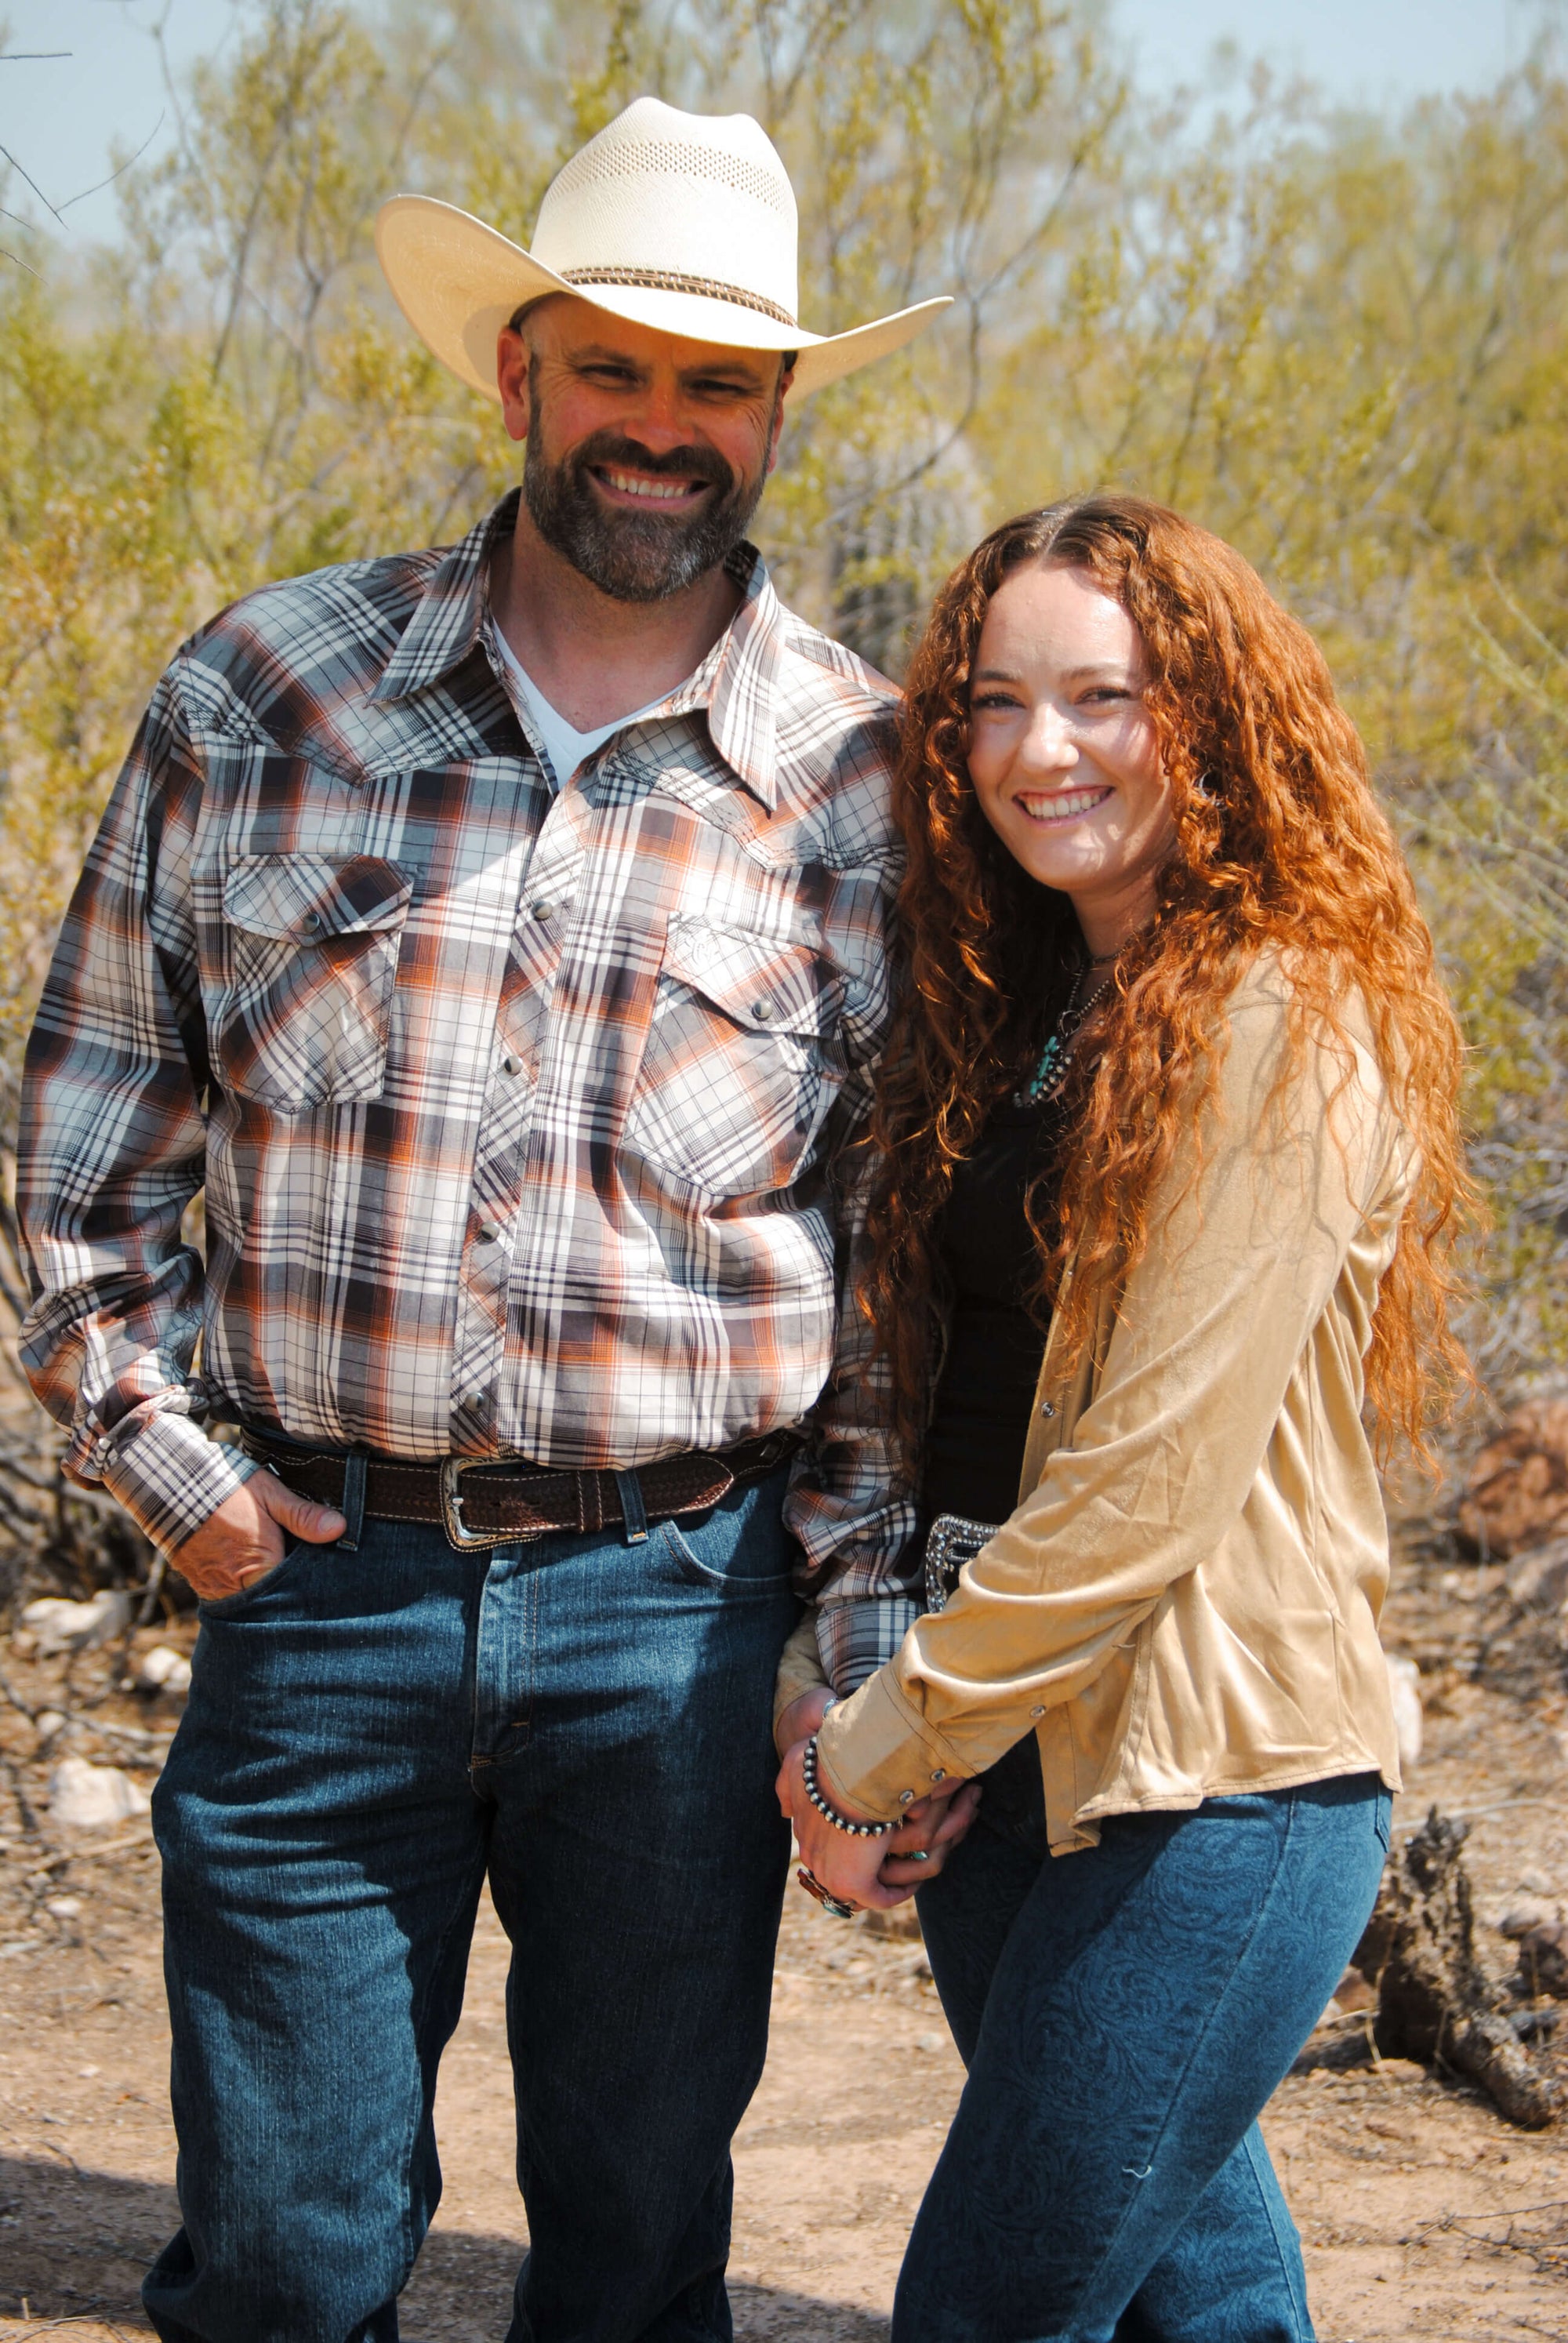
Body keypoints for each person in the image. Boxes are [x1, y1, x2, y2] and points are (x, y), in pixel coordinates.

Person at [16, 97, 955, 2343]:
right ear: (513, 370)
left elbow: (901, 1295)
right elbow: (71, 1165)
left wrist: (857, 1640)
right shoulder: (268, 692)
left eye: (713, 381)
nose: (660, 427)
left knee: (634, 2263)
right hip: (319, 1593)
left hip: (688, 1604)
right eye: (610, 367)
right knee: (280, 2259)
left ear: (780, 409)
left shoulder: (869, 777)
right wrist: (183, 1482)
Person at [774, 496, 1471, 2341]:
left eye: (1105, 695)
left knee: (987, 2314)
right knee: (1200, 2312)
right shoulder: (1042, 1007)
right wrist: (894, 1699)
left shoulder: (1280, 1018)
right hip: (1013, 1761)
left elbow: (1146, 1486)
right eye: (993, 704)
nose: (1039, 750)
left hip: (1200, 1794)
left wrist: (875, 1750)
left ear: (1215, 712)